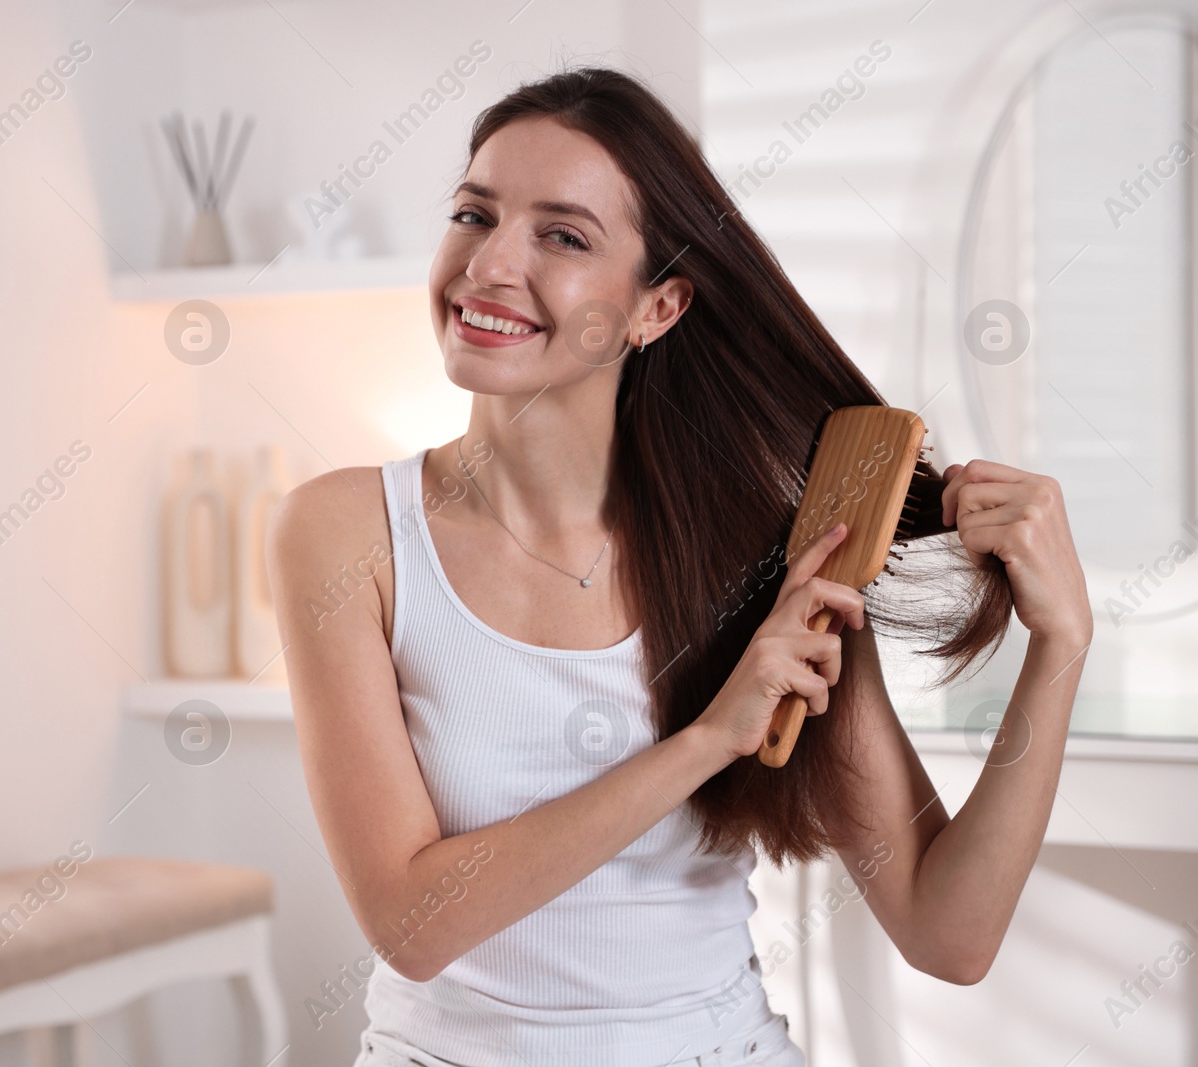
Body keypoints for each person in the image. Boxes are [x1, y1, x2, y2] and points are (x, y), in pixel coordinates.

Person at [265, 67, 1090, 1067]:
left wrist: (1061, 644)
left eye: (561, 235)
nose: (487, 262)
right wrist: (707, 740)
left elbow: (947, 934)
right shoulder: (346, 531)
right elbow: (412, 922)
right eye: (473, 213)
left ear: (657, 307)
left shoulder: (761, 552)